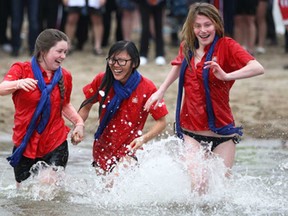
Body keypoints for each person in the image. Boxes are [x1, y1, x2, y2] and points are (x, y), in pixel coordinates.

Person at [144, 2, 264, 193]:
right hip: (191, 131)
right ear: (191, 27)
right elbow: (178, 65)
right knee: (199, 186)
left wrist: (227, 75)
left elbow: (258, 68)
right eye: (198, 25)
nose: (203, 30)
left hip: (222, 133)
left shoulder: (227, 46)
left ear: (216, 24)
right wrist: (161, 90)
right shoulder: (187, 47)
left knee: (220, 193)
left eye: (207, 24)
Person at [0, 29, 84, 186]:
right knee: (24, 195)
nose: (63, 56)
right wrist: (18, 83)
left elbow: (65, 104)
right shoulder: (21, 69)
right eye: (59, 51)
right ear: (43, 51)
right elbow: (2, 88)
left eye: (65, 52)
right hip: (25, 141)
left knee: (47, 186)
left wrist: (79, 123)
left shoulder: (65, 76)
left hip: (55, 140)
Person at [78, 40, 168, 179]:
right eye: (112, 60)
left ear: (134, 63)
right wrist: (79, 125)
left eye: (121, 61)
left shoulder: (147, 88)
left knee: (115, 180)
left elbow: (162, 121)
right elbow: (86, 105)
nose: (116, 65)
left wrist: (143, 139)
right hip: (102, 147)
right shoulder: (102, 80)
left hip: (130, 148)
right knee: (104, 193)